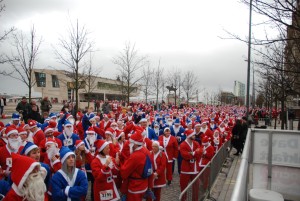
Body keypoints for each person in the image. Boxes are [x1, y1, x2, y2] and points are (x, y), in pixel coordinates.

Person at [120, 131, 154, 201]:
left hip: (135, 187)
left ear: (135, 144)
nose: (129, 145)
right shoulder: (146, 150)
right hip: (144, 184)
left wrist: (119, 163)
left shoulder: (135, 156)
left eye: (130, 143)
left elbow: (123, 173)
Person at [179, 129, 203, 201]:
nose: (194, 136)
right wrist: (194, 153)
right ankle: (183, 199)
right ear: (189, 136)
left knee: (196, 186)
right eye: (193, 135)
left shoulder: (196, 143)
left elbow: (200, 151)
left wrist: (192, 153)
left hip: (195, 167)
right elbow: (184, 155)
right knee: (184, 186)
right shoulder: (183, 144)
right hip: (186, 168)